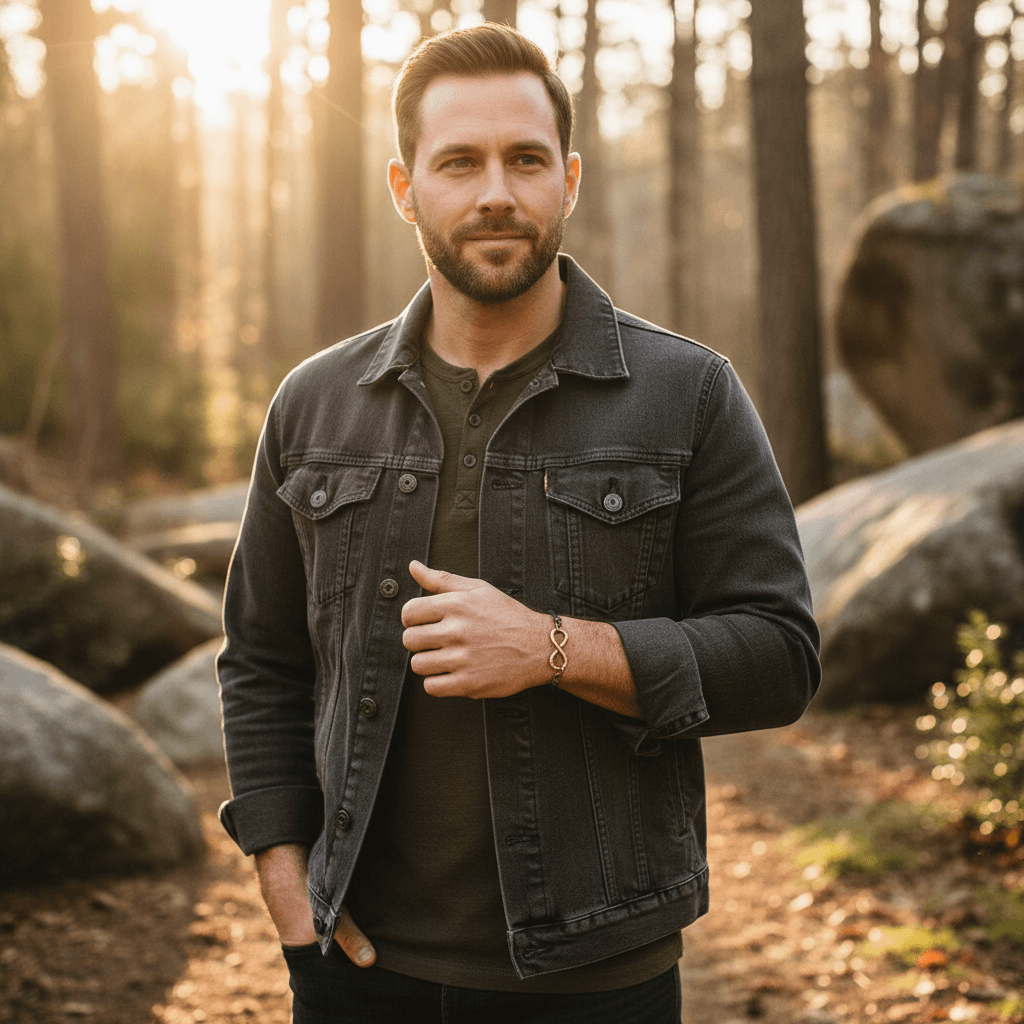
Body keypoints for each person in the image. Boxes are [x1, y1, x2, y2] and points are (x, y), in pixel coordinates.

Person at [217, 22, 820, 1024]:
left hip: (595, 977)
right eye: (459, 161)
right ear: (406, 187)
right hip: (356, 970)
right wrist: (284, 873)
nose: (496, 190)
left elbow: (778, 655)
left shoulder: (688, 395)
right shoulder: (313, 405)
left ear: (568, 180)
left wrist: (548, 648)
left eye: (525, 158)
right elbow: (261, 659)